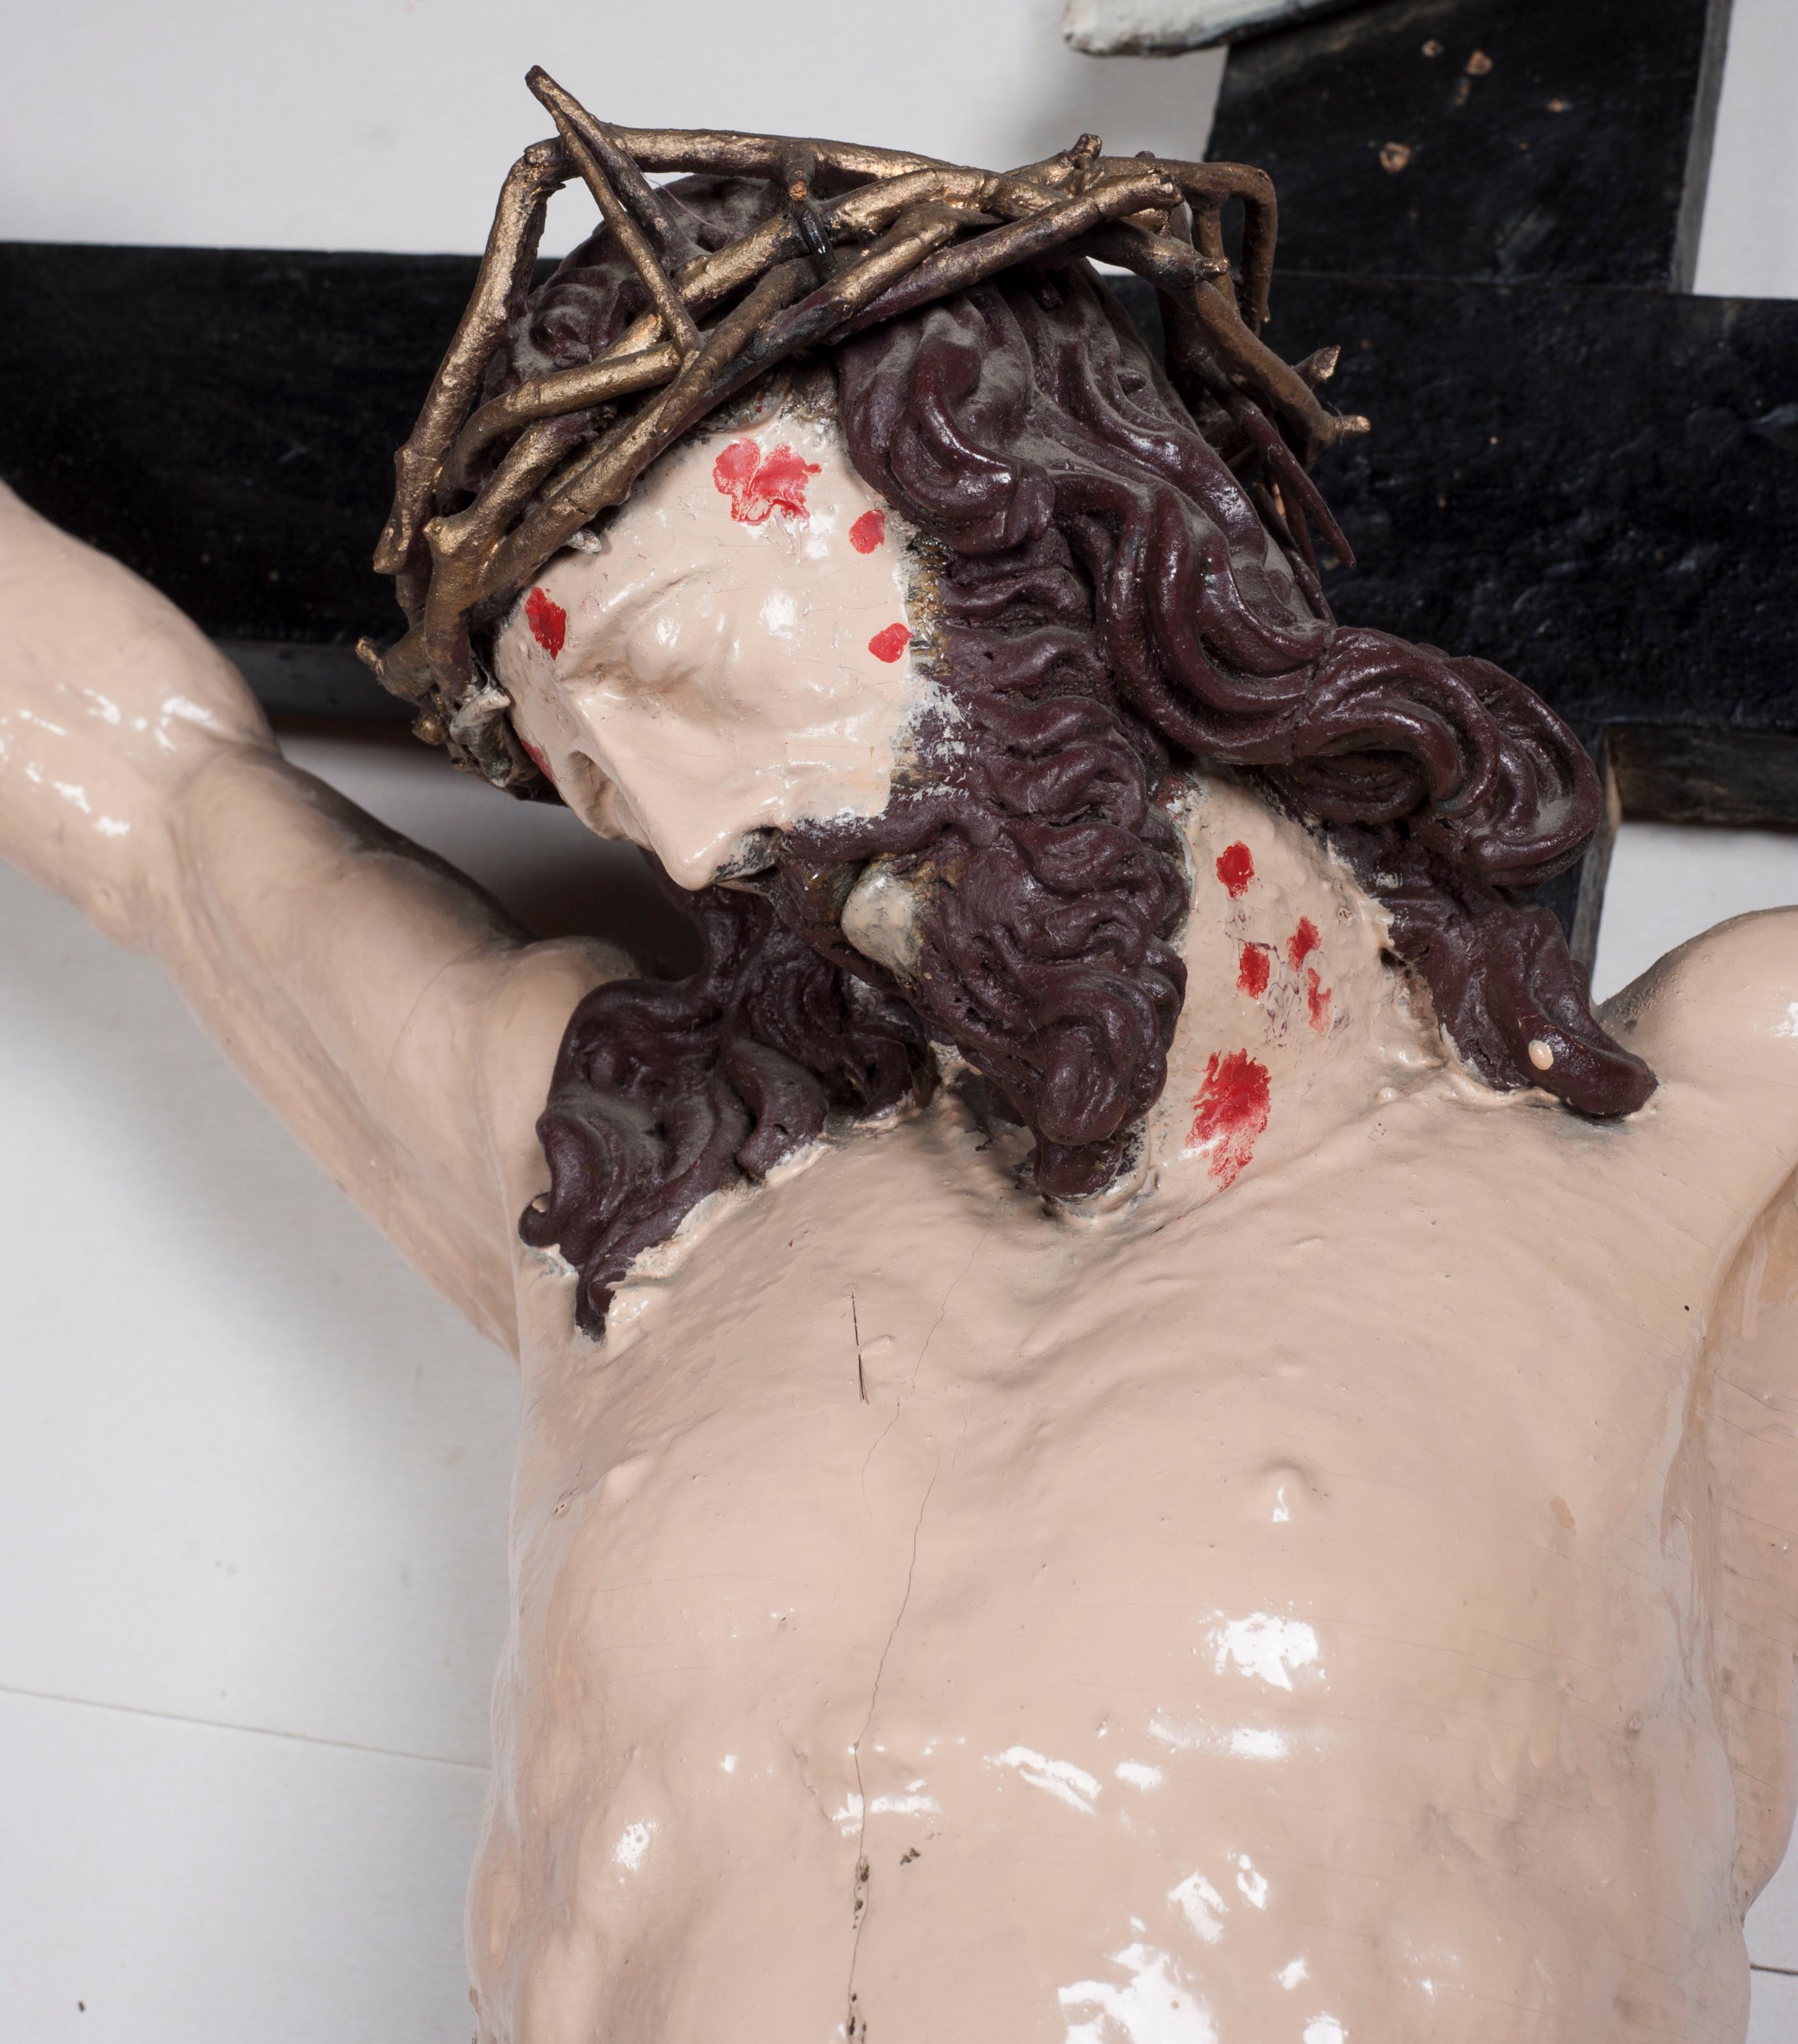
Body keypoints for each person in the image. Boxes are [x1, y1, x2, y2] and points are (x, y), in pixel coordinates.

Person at [4, 118, 1797, 2044]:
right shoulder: (639, 1201)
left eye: (680, 666)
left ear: (1037, 502)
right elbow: (158, 797)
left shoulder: (1703, 1138)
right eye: (591, 782)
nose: (688, 845)